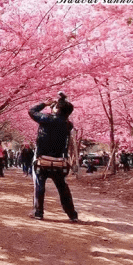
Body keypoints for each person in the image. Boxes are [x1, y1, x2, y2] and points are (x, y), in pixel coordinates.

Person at [28, 92, 78, 222]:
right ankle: (72, 214)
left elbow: (32, 111)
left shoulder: (47, 119)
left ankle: (38, 212)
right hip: (58, 162)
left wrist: (45, 104)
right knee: (63, 188)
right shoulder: (68, 125)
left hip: (42, 160)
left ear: (58, 108)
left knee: (39, 186)